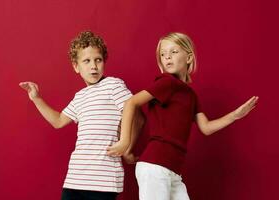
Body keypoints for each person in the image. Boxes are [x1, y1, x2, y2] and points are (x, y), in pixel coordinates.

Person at [108, 32, 259, 200]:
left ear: (188, 57)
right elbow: (131, 103)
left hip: (173, 171)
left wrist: (234, 116)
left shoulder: (190, 94)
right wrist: (125, 142)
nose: (167, 57)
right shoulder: (167, 82)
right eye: (163, 54)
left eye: (173, 52)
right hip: (155, 167)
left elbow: (206, 128)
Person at [19, 31, 135, 200]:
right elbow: (58, 121)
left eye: (98, 60)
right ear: (76, 66)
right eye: (86, 61)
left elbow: (136, 114)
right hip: (75, 178)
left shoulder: (113, 85)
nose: (93, 66)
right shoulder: (80, 96)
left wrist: (127, 145)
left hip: (103, 179)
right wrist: (36, 98)